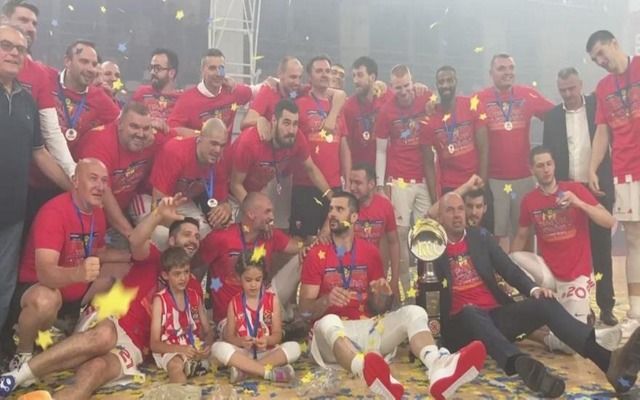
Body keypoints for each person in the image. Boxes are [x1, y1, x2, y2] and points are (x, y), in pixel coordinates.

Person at [434, 191, 640, 397]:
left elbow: (509, 270)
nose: (457, 215)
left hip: (495, 317)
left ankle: (608, 362)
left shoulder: (480, 236)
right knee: (471, 311)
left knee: (545, 302)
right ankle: (520, 364)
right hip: (460, 327)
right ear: (440, 216)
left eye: (460, 209)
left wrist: (534, 290)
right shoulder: (431, 246)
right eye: (450, 210)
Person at [0, 196, 199, 399]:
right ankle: (16, 376)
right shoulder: (154, 256)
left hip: (135, 345)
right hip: (112, 318)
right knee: (104, 336)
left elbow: (192, 330)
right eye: (187, 234)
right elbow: (136, 240)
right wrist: (157, 215)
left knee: (96, 370)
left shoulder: (193, 288)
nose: (193, 240)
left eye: (197, 237)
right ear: (171, 240)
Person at [300, 191, 486, 400]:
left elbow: (379, 308)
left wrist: (382, 295)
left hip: (368, 328)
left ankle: (437, 366)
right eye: (331, 209)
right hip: (332, 338)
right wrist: (327, 300)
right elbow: (304, 312)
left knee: (414, 312)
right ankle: (365, 370)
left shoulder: (370, 252)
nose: (332, 214)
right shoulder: (317, 254)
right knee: (329, 321)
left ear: (354, 217)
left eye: (339, 209)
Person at [6, 159, 118, 371]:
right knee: (46, 299)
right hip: (38, 287)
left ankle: (75, 328)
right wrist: (78, 273)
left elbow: (99, 252)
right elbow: (46, 274)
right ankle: (22, 354)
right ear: (75, 181)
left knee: (120, 272)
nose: (100, 186)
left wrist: (133, 254)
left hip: (74, 291)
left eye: (104, 181)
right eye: (93, 179)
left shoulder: (98, 213)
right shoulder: (54, 212)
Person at [0, 23, 71, 338]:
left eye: (20, 48)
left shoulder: (27, 101)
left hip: (13, 215)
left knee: (4, 285)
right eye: (6, 46)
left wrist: (74, 187)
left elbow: (39, 153)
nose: (14, 53)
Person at [511, 146, 618, 352]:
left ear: (554, 165)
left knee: (569, 345)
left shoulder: (574, 189)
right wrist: (509, 277)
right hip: (548, 274)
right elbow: (521, 237)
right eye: (540, 166)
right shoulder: (529, 200)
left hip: (576, 276)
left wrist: (579, 203)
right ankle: (554, 316)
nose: (546, 169)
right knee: (513, 258)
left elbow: (609, 221)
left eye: (549, 164)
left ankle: (540, 333)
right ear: (532, 169)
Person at [542, 67, 617, 326]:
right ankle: (579, 306)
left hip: (597, 188)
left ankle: (606, 305)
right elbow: (548, 156)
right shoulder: (552, 117)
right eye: (562, 90)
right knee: (572, 250)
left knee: (601, 248)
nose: (567, 93)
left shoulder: (598, 106)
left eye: (571, 88)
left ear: (581, 84)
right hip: (567, 191)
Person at [586, 30, 640, 331]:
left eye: (601, 53)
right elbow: (602, 131)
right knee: (634, 240)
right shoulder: (603, 87)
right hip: (625, 170)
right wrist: (592, 168)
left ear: (615, 43)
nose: (600, 61)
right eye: (595, 59)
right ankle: (636, 310)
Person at [476, 54, 554, 246]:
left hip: (524, 178)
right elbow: (455, 113)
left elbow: (556, 115)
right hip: (494, 180)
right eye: (501, 68)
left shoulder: (528, 94)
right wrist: (429, 102)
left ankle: (526, 267)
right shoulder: (478, 99)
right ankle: (500, 267)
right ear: (491, 73)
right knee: (497, 235)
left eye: (511, 68)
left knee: (525, 232)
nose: (508, 72)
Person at [199, 192, 302, 324]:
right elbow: (195, 265)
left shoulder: (271, 235)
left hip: (263, 306)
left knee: (304, 256)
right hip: (230, 316)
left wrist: (309, 244)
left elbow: (299, 246)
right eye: (267, 212)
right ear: (251, 214)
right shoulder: (220, 237)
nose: (272, 217)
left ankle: (291, 314)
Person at [374, 64, 433, 295]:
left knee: (426, 233)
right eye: (398, 87)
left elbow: (440, 106)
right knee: (399, 235)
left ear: (412, 81)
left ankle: (427, 287)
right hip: (398, 181)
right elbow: (380, 150)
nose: (404, 91)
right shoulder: (386, 111)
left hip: (424, 179)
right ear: (392, 87)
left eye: (407, 85)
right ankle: (404, 290)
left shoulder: (425, 96)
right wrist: (380, 186)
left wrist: (427, 91)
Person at [76, 101, 169, 242]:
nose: (140, 134)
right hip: (87, 216)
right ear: (119, 124)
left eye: (146, 128)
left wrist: (166, 127)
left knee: (161, 235)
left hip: (125, 211)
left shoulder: (153, 138)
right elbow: (103, 194)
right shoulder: (99, 143)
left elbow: (186, 141)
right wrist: (132, 235)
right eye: (134, 126)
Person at [136, 117, 231, 247]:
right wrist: (183, 227)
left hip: (182, 200)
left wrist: (225, 208)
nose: (218, 150)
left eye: (222, 145)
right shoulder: (176, 152)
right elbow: (157, 205)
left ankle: (187, 260)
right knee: (162, 235)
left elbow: (221, 201)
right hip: (150, 196)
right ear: (200, 138)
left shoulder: (220, 159)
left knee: (204, 233)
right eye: (213, 144)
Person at [211, 251, 301, 383]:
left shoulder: (272, 300)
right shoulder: (234, 303)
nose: (253, 285)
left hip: (267, 352)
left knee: (294, 347)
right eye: (248, 280)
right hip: (243, 354)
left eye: (258, 280)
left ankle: (245, 371)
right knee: (217, 348)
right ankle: (268, 373)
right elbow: (229, 337)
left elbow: (277, 335)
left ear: (263, 277)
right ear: (239, 278)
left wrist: (267, 340)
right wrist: (241, 341)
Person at [290, 55, 348, 240]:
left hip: (334, 185)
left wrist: (346, 181)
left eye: (327, 71)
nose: (324, 75)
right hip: (306, 185)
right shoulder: (299, 104)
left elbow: (343, 146)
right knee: (304, 242)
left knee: (333, 240)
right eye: (319, 71)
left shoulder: (337, 106)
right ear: (310, 76)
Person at [421, 65, 489, 195]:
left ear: (456, 82)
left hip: (475, 181)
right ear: (436, 85)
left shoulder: (472, 106)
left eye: (449, 80)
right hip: (449, 186)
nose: (445, 85)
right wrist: (435, 199)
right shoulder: (430, 119)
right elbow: (428, 163)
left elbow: (484, 148)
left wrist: (482, 183)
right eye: (441, 82)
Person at [150, 247, 213, 383]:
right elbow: (154, 344)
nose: (183, 278)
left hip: (193, 347)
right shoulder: (160, 300)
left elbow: (208, 331)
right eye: (177, 274)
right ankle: (182, 390)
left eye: (186, 272)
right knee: (175, 365)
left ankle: (194, 366)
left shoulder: (194, 296)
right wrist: (179, 349)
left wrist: (207, 346)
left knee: (220, 352)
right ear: (165, 275)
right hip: (171, 349)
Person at [168, 48, 252, 139]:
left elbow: (258, 91)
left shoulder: (232, 91)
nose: (218, 73)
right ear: (202, 70)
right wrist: (201, 136)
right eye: (212, 68)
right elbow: (172, 129)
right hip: (197, 147)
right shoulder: (187, 99)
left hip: (226, 148)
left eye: (221, 68)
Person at [349, 163, 400, 301]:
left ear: (371, 184)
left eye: (358, 183)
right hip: (351, 274)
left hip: (378, 274)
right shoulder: (346, 205)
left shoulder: (385, 205)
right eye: (351, 182)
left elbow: (393, 242)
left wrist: (394, 280)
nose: (352, 187)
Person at [342, 56, 393, 167]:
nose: (355, 80)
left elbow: (405, 94)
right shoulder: (349, 107)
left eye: (360, 75)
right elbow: (346, 145)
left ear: (372, 77)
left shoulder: (387, 98)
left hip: (387, 168)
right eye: (354, 75)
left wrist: (419, 88)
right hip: (360, 170)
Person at [131, 48, 182, 133]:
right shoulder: (142, 92)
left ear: (171, 73)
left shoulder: (182, 99)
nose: (152, 72)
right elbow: (128, 119)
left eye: (157, 68)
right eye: (151, 68)